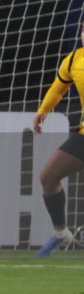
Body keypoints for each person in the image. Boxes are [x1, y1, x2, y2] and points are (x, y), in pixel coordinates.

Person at [34, 22, 84, 258]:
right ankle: (61, 232)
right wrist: (43, 111)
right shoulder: (74, 59)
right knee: (48, 177)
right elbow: (58, 89)